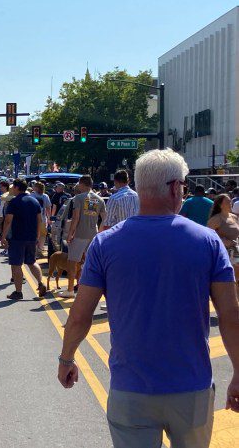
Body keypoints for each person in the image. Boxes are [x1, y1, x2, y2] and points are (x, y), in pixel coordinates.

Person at [58, 149, 239, 447]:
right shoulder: (208, 242)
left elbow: (80, 315)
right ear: (173, 187)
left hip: (130, 390)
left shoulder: (105, 243)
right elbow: (231, 316)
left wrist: (67, 358)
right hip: (191, 389)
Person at [1, 179, 46, 299]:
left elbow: (8, 220)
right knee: (31, 262)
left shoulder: (14, 202)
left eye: (13, 188)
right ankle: (41, 283)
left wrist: (3, 237)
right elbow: (39, 220)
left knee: (16, 264)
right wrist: (37, 236)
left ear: (16, 187)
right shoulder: (35, 201)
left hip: (17, 237)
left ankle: (18, 291)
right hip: (31, 237)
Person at [63, 175, 106, 299]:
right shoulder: (99, 199)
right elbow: (105, 218)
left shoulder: (79, 198)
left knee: (72, 262)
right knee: (90, 263)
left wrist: (70, 234)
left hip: (80, 234)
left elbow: (76, 217)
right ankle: (87, 291)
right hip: (93, 234)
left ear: (82, 184)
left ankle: (70, 289)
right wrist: (99, 231)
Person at [208, 193, 239, 281]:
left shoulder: (234, 217)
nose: (230, 204)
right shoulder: (216, 219)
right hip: (223, 256)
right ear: (220, 205)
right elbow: (208, 237)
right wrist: (222, 241)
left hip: (236, 254)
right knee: (230, 281)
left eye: (230, 202)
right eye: (227, 202)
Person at [33, 182, 52, 258]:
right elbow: (48, 208)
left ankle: (34, 251)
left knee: (35, 235)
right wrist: (49, 218)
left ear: (37, 188)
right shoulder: (45, 196)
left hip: (33, 219)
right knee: (42, 235)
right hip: (43, 219)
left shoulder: (32, 195)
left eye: (34, 186)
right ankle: (39, 250)